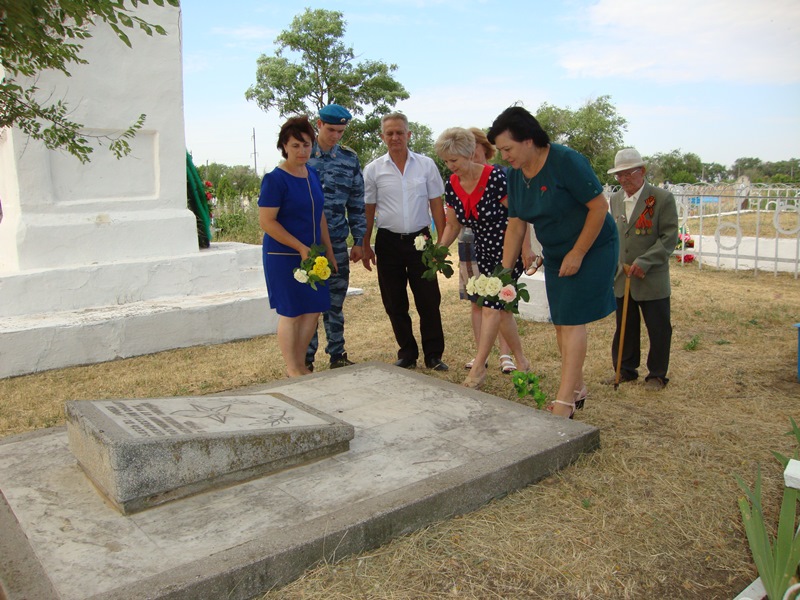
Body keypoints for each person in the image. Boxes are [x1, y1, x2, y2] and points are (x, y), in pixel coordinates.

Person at [487, 106, 618, 418]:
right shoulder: (516, 176)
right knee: (561, 321)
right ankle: (577, 387)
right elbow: (516, 225)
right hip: (558, 251)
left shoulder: (566, 161)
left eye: (508, 148)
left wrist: (579, 253)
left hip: (594, 246)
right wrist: (504, 273)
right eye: (501, 151)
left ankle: (565, 402)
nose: (505, 156)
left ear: (529, 140)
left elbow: (599, 208)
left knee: (572, 320)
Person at [434, 127, 531, 389]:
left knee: (491, 307)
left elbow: (519, 216)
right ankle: (522, 362)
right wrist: (439, 251)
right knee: (502, 312)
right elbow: (453, 226)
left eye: (453, 160)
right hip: (483, 252)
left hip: (506, 250)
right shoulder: (452, 183)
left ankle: (478, 369)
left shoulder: (497, 177)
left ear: (468, 153)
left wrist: (526, 250)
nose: (450, 166)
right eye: (446, 161)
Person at [362, 112, 448, 371]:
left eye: (400, 132)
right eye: (389, 133)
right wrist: (365, 244)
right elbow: (368, 209)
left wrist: (440, 245)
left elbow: (436, 205)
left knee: (428, 300)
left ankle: (433, 355)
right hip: (388, 242)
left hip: (421, 241)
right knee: (394, 300)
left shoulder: (426, 165)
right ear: (382, 137)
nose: (395, 137)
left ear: (409, 134)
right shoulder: (373, 169)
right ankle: (407, 353)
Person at [258, 116, 337, 377]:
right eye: (295, 146)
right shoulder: (275, 179)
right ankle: (292, 368)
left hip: (313, 255)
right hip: (284, 255)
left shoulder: (311, 173)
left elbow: (320, 215)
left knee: (313, 309)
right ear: (284, 146)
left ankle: (301, 363)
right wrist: (299, 247)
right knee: (291, 311)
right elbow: (267, 222)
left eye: (306, 145)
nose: (302, 151)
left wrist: (328, 249)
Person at [607, 148, 678, 390]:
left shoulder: (661, 198)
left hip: (651, 277)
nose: (624, 180)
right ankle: (625, 369)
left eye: (629, 173)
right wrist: (617, 264)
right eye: (619, 175)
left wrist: (644, 262)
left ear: (642, 171)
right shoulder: (615, 199)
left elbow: (669, 238)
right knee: (625, 326)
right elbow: (616, 236)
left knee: (658, 328)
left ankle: (657, 374)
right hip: (623, 275)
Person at [304, 104, 366, 371]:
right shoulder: (302, 155)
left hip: (338, 240)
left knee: (335, 302)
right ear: (319, 125)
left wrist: (360, 240)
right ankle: (305, 359)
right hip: (307, 242)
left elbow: (356, 203)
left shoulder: (349, 160)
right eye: (331, 130)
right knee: (308, 303)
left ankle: (337, 355)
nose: (336, 136)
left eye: (341, 131)